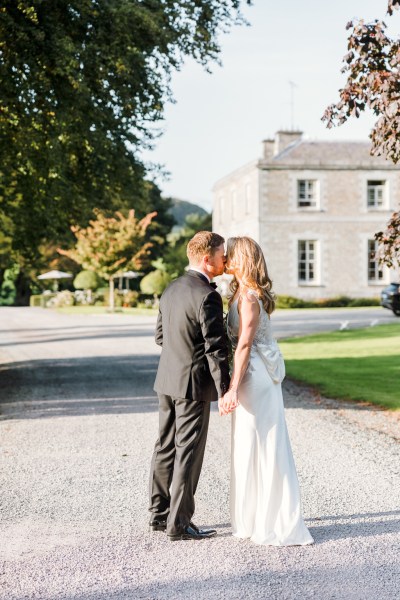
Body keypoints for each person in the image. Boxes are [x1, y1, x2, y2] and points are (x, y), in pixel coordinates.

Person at [219, 236, 314, 546]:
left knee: (265, 444)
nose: (224, 259)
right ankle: (253, 518)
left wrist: (232, 388)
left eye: (228, 255)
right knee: (249, 444)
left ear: (239, 259)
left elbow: (245, 344)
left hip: (255, 377)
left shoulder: (248, 298)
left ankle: (275, 522)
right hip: (252, 373)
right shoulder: (241, 294)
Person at [149, 231, 230, 541]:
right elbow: (215, 348)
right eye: (222, 254)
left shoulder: (170, 289)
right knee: (188, 452)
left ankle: (159, 515)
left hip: (166, 380)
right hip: (193, 384)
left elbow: (160, 337)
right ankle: (179, 523)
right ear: (207, 258)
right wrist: (224, 389)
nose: (225, 259)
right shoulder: (207, 295)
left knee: (165, 446)